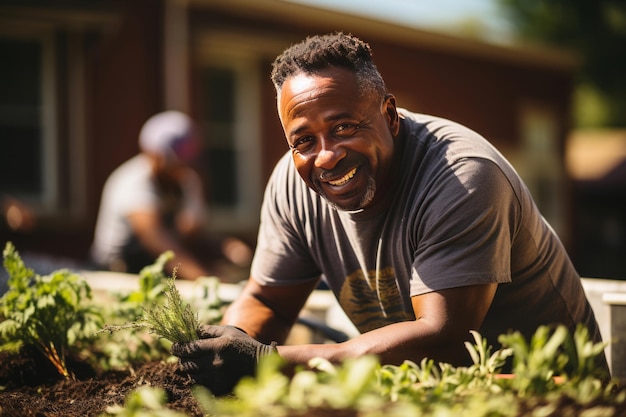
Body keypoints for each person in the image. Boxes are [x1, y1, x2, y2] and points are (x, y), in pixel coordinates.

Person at [171, 33, 608, 394]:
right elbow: (269, 300)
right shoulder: (291, 182)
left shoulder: (462, 176)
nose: (325, 157)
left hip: (550, 392)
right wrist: (226, 353)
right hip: (425, 391)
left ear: (390, 115)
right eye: (303, 139)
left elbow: (442, 336)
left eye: (344, 127)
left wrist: (266, 362)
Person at [90, 110, 251, 280]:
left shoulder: (187, 180)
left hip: (157, 271)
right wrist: (204, 279)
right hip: (116, 273)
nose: (181, 166)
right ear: (152, 154)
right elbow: (156, 240)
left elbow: (192, 233)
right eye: (173, 160)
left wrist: (224, 247)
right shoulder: (134, 182)